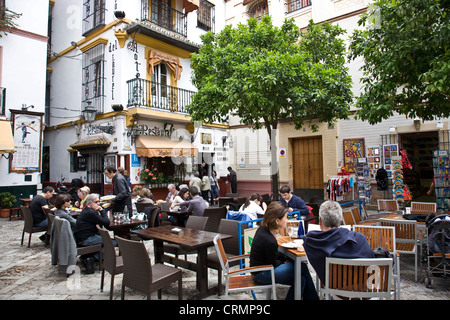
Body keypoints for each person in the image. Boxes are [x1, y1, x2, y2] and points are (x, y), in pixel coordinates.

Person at [250, 201, 318, 300]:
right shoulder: (270, 240)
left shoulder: (263, 230)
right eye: (286, 217)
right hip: (261, 274)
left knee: (301, 280)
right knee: (302, 267)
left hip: (260, 270)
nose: (287, 220)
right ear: (277, 221)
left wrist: (285, 260)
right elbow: (273, 263)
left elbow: (273, 256)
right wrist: (285, 261)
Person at [302, 200, 375, 285]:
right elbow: (372, 265)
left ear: (320, 220)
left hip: (334, 288)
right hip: (364, 291)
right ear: (340, 221)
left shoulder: (312, 242)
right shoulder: (360, 239)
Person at [73, 193, 111, 273]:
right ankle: (92, 258)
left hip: (81, 237)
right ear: (89, 203)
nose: (98, 204)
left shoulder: (87, 210)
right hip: (86, 239)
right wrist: (101, 210)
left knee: (106, 240)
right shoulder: (91, 212)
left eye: (99, 202)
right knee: (110, 242)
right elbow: (106, 222)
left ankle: (88, 256)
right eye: (96, 202)